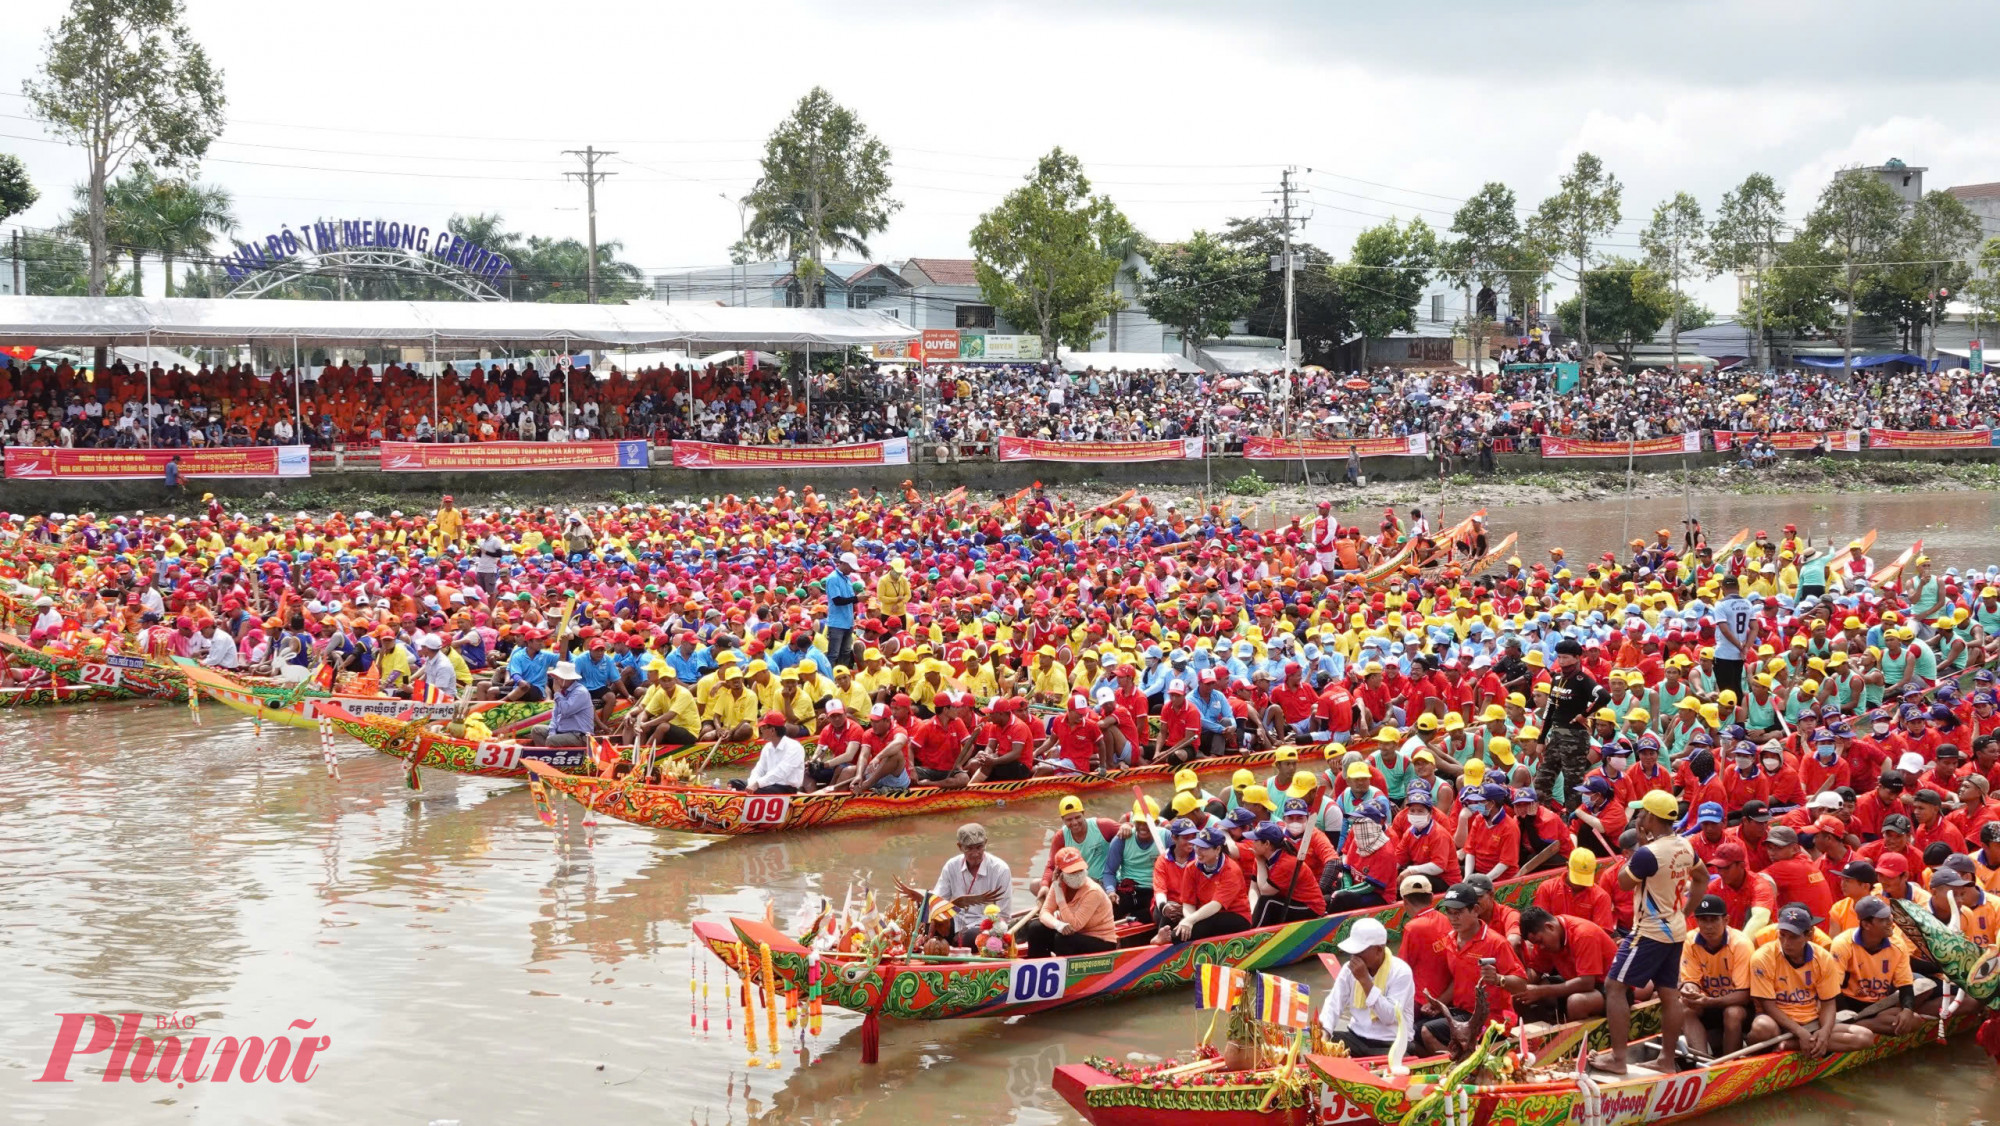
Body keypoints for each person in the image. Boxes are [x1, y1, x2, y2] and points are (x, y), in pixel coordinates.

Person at [1601, 790, 1706, 1075]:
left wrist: (1639, 843)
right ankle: (1666, 1061)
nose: (1637, 817)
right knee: (1669, 995)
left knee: (1614, 987)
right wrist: (1685, 913)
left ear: (1650, 817)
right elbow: (1702, 878)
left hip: (1649, 931)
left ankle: (1618, 1059)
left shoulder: (1648, 853)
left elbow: (1623, 883)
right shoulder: (1685, 845)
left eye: (1641, 813)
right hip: (1675, 928)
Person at [1748, 904, 1875, 1055]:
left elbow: (1828, 1003)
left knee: (1865, 1037)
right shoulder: (1762, 957)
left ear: (1809, 935)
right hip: (1776, 1021)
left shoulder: (1823, 957)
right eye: (1782, 935)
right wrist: (1800, 1032)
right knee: (1762, 1027)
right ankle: (1794, 1043)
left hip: (1811, 1020)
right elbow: (1768, 1006)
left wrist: (1825, 1032)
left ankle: (1791, 1045)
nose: (1786, 943)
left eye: (1793, 937)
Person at [1419, 882, 1525, 1054]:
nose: (1453, 919)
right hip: (1462, 1012)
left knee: (1427, 1032)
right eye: (1449, 913)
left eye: (1459, 913)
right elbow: (1460, 980)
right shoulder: (1450, 940)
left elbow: (1521, 984)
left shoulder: (1496, 943)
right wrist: (1438, 1004)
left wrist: (1498, 979)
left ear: (1475, 910)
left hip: (1490, 1018)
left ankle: (1464, 1067)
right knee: (1416, 1030)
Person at [1827, 895, 1929, 1038]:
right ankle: (1855, 1024)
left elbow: (1905, 984)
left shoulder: (1897, 945)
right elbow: (1833, 988)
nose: (1891, 923)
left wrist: (1907, 1009)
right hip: (1848, 1005)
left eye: (1890, 917)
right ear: (1866, 925)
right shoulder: (1843, 943)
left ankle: (1860, 1025)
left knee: (1915, 1020)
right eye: (1883, 920)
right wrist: (1845, 1014)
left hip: (1878, 1005)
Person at [1319, 917, 1414, 1058]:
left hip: (1390, 1042)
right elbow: (1334, 1003)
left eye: (1360, 951)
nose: (1354, 956)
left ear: (1378, 950)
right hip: (1357, 1037)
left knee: (1398, 1062)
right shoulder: (1348, 969)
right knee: (1314, 1043)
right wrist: (1324, 1033)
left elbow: (1390, 1016)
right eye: (1353, 952)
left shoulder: (1401, 971)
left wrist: (1365, 981)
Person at [1680, 894, 1754, 1056]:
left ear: (1726, 920)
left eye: (1713, 920)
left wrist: (1709, 1001)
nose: (1708, 926)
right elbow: (1691, 981)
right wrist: (1690, 990)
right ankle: (1703, 1062)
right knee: (1684, 1006)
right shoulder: (1690, 941)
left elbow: (1744, 996)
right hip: (1709, 1003)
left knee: (1732, 1013)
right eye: (1703, 920)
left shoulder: (1741, 944)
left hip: (1740, 1007)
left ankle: (1729, 1064)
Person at [1513, 905, 1616, 1021]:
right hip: (1576, 983)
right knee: (1522, 995)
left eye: (1540, 942)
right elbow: (1535, 972)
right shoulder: (1545, 938)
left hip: (1612, 988)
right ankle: (1545, 1032)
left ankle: (1580, 1037)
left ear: (1550, 927)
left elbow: (1587, 983)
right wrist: (1514, 983)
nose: (1540, 947)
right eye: (1537, 944)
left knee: (1576, 1002)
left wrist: (1541, 992)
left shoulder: (1583, 934)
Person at [1540, 639, 1607, 808]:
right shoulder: (1555, 678)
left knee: (1572, 785)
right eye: (1559, 657)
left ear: (1577, 657)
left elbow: (1604, 696)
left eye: (1565, 657)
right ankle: (1543, 816)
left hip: (1575, 737)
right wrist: (1541, 739)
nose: (1561, 661)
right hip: (1556, 734)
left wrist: (1584, 714)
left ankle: (1573, 822)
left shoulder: (1582, 679)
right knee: (1542, 780)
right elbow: (1549, 709)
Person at [1153, 827, 1250, 944]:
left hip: (1234, 915)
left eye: (1204, 848)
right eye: (1197, 846)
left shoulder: (1231, 870)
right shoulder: (1191, 868)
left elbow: (1215, 905)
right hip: (1202, 912)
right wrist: (1189, 921)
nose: (1198, 851)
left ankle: (1169, 939)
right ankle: (1161, 944)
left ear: (1218, 849)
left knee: (1207, 922)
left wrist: (1190, 920)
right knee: (1173, 915)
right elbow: (1188, 903)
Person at [1019, 846, 1117, 957]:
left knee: (1063, 939)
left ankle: (1065, 971)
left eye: (1079, 870)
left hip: (1100, 940)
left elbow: (1074, 925)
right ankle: (1038, 964)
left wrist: (1060, 899)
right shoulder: (1059, 884)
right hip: (1075, 936)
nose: (1077, 875)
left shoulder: (1093, 891)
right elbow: (1045, 912)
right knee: (1036, 928)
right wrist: (1057, 924)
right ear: (1059, 873)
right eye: (1072, 872)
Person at [928, 822, 1012, 947]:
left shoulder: (1001, 870)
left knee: (967, 937)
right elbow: (938, 900)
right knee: (927, 912)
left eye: (979, 847)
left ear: (986, 843)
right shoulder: (951, 866)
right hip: (957, 921)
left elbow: (1003, 915)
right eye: (969, 848)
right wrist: (930, 927)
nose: (975, 853)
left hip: (984, 924)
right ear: (960, 847)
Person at [1248, 822, 1326, 925]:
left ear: (1266, 844)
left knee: (1267, 902)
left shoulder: (1286, 863)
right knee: (1259, 906)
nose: (1252, 842)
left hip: (1310, 907)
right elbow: (1254, 887)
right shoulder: (1261, 856)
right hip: (1286, 900)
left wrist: (1260, 862)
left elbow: (1264, 891)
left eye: (1255, 840)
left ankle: (1254, 938)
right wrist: (1254, 911)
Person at [526, 662, 593, 747]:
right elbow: (555, 715)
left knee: (552, 741)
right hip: (562, 732)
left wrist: (557, 693)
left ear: (566, 678)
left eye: (557, 678)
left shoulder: (580, 692)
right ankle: (546, 756)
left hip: (579, 736)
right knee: (536, 730)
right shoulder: (562, 693)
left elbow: (566, 710)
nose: (555, 681)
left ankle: (548, 756)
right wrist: (552, 732)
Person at [740, 712, 805, 794]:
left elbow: (780, 772)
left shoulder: (794, 747)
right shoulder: (767, 747)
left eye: (763, 727)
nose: (761, 730)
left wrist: (757, 784)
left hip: (786, 789)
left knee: (757, 790)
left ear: (772, 730)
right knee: (734, 783)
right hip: (768, 786)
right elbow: (759, 769)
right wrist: (751, 783)